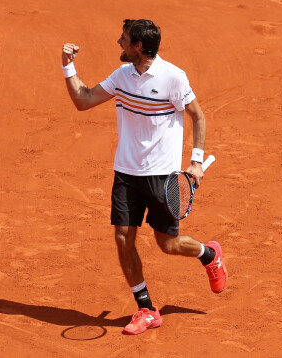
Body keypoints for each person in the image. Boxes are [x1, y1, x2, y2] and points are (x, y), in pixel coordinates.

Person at [61, 19, 228, 335]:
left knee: (168, 243)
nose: (119, 42)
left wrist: (196, 162)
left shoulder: (173, 78)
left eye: (123, 39)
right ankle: (146, 309)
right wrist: (68, 68)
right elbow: (83, 100)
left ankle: (209, 254)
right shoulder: (122, 76)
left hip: (162, 178)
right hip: (126, 173)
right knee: (123, 237)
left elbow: (199, 116)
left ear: (138, 46)